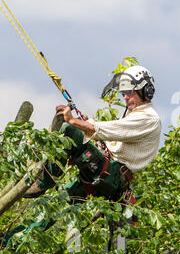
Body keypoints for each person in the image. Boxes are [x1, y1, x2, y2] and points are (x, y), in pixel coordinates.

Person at [23, 65, 161, 201]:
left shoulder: (148, 119)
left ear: (146, 91)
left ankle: (43, 182)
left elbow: (103, 130)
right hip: (105, 170)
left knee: (70, 130)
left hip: (112, 173)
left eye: (130, 92)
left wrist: (72, 121)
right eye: (123, 93)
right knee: (55, 203)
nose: (125, 97)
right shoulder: (134, 113)